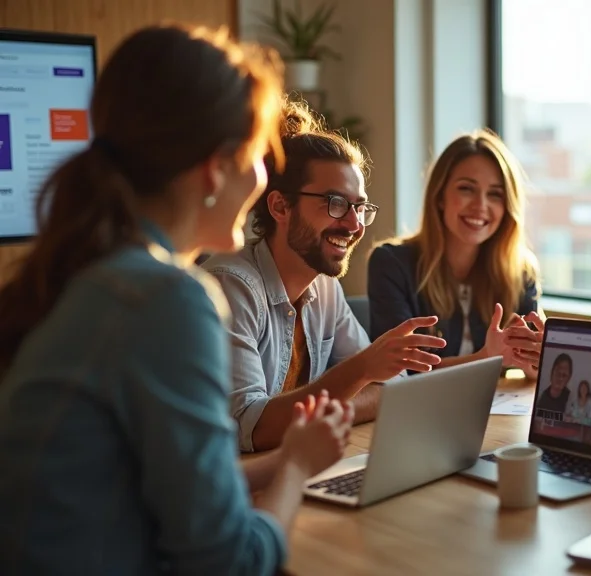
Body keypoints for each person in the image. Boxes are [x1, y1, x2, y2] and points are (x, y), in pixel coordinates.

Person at [0, 25, 353, 575]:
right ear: (215, 167)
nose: (264, 180)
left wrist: (293, 457)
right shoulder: (168, 298)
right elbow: (230, 561)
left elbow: (170, 484)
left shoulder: (87, 271)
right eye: (260, 155)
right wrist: (293, 472)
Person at [202, 100, 446, 453]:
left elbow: (389, 389)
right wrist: (361, 370)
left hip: (291, 469)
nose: (354, 225)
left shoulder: (324, 286)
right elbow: (250, 428)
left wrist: (346, 392)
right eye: (335, 203)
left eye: (359, 207)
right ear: (280, 207)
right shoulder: (229, 286)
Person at [367, 131, 544, 377]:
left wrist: (536, 363)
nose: (480, 205)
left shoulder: (520, 271)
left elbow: (535, 364)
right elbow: (401, 371)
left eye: (495, 194)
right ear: (439, 196)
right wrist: (486, 358)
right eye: (466, 189)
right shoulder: (391, 264)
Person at [536, 353, 573, 418]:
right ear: (552, 373)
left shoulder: (571, 400)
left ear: (568, 379)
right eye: (558, 373)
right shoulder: (540, 396)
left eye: (564, 375)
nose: (560, 378)